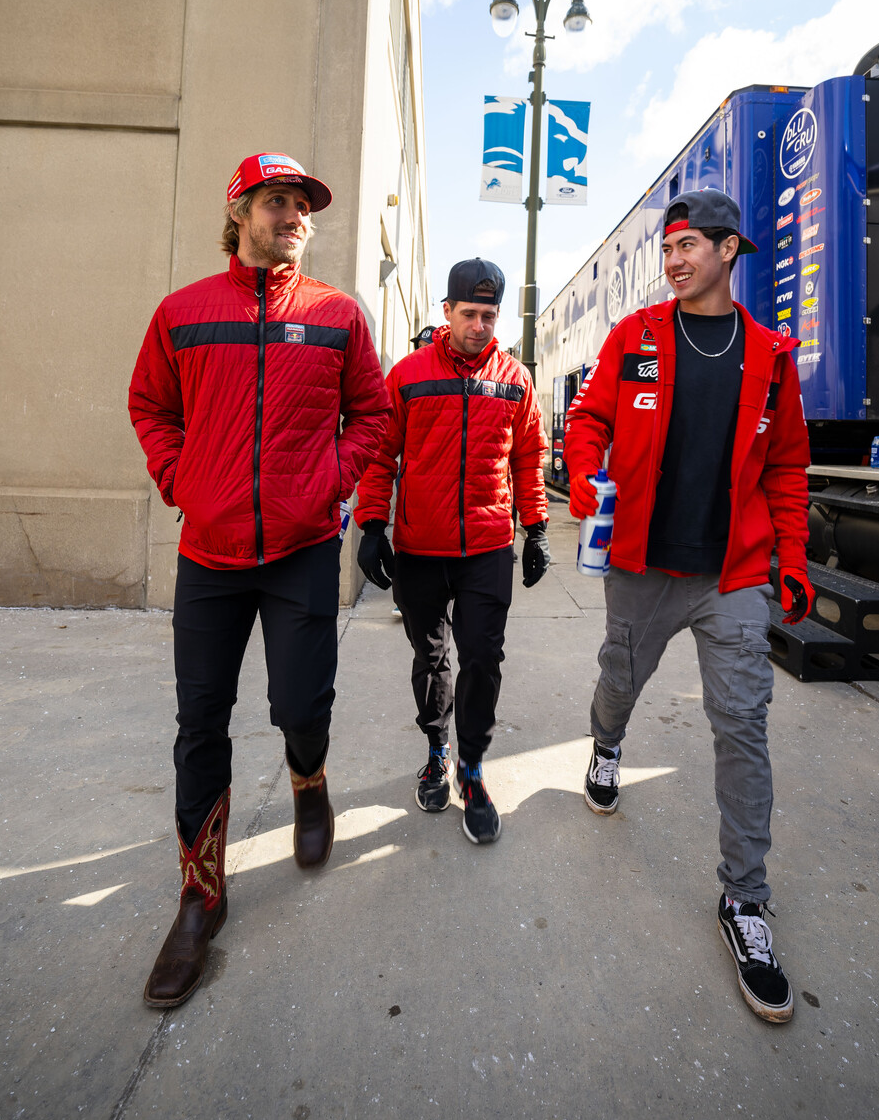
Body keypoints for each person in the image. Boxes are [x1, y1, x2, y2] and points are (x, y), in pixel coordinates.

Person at [128, 152, 390, 1008]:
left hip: (303, 547)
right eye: (277, 202)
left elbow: (375, 414)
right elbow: (151, 407)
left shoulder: (336, 316)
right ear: (238, 211)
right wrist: (184, 482)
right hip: (209, 555)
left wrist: (331, 480)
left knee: (300, 704)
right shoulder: (182, 314)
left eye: (302, 206)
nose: (294, 217)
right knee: (199, 723)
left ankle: (308, 781)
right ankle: (200, 898)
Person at [564, 190, 814, 1024]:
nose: (671, 260)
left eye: (687, 246)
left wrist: (792, 559)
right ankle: (605, 747)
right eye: (667, 248)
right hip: (641, 564)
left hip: (732, 573)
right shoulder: (634, 336)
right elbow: (590, 415)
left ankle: (744, 901)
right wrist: (589, 469)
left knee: (741, 721)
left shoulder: (770, 355)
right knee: (619, 684)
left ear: (728, 249)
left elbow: (784, 470)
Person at [354, 259, 550, 845]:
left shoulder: (515, 379)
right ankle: (436, 751)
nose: (480, 326)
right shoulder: (409, 375)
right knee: (432, 658)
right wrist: (370, 525)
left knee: (483, 660)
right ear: (447, 312)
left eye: (490, 315)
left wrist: (536, 528)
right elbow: (381, 453)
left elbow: (528, 457)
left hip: (487, 548)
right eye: (470, 313)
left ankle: (472, 768)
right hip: (420, 547)